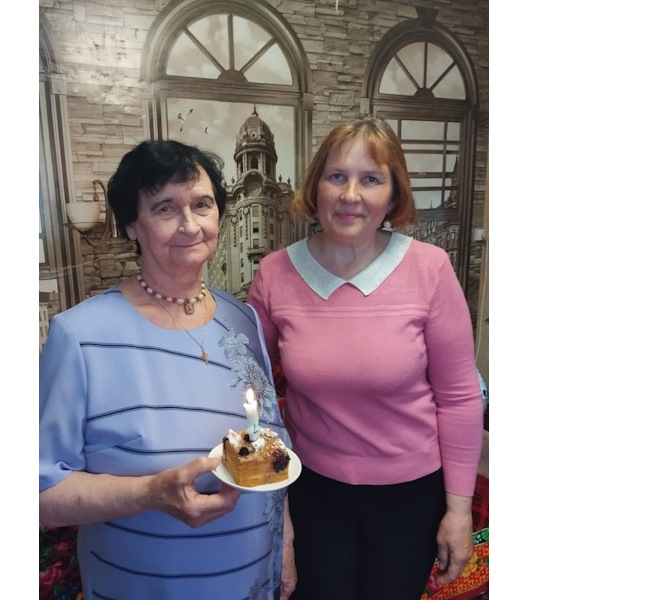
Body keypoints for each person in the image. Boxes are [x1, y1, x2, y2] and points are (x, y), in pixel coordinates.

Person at [39, 139, 296, 600]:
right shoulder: (80, 336)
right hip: (144, 585)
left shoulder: (243, 320)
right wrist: (150, 493)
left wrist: (286, 547)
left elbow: (270, 446)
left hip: (251, 580)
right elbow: (41, 493)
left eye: (202, 205)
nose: (190, 225)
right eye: (165, 208)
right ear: (132, 226)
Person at [246, 116, 483, 600]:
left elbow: (459, 397)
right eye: (337, 176)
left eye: (371, 179)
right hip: (311, 491)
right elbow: (251, 390)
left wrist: (459, 511)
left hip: (410, 497)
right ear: (316, 188)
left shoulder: (430, 270)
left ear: (393, 196)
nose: (350, 194)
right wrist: (272, 498)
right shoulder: (274, 274)